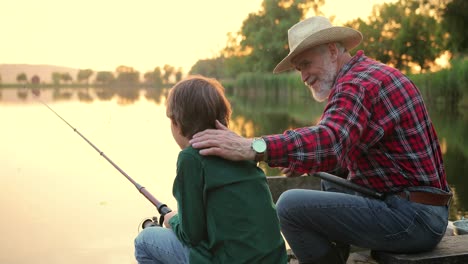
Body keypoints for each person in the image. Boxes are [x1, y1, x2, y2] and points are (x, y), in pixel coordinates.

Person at [189, 16, 452, 264]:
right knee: (331, 184)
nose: (303, 76)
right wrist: (306, 161)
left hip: (415, 219)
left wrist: (255, 147)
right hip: (419, 211)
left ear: (332, 51)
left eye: (305, 64)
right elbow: (343, 147)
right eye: (298, 68)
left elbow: (331, 140)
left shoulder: (357, 84)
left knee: (289, 207)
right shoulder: (366, 74)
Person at [134, 75, 287, 264]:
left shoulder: (190, 158)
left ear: (176, 123)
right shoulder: (241, 149)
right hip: (275, 259)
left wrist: (172, 219)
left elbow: (191, 235)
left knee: (144, 240)